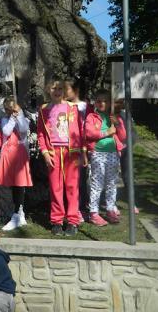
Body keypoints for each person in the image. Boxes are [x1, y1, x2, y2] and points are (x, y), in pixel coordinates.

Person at [37, 80, 84, 236]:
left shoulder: (72, 108)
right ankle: (57, 221)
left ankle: (72, 221)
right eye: (53, 87)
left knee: (72, 187)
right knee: (55, 188)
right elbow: (41, 134)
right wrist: (44, 153)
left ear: (65, 90)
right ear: (48, 89)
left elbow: (81, 131)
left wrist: (83, 152)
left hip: (71, 153)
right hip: (53, 152)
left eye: (60, 88)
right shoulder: (44, 110)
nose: (57, 90)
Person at [84, 90, 126, 226]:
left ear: (109, 103)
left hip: (113, 154)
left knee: (112, 183)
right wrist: (107, 132)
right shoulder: (91, 116)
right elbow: (89, 133)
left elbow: (123, 136)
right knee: (97, 184)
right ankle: (94, 213)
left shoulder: (114, 117)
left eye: (105, 101)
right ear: (95, 102)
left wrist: (118, 124)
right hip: (98, 153)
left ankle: (110, 209)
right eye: (99, 101)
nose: (102, 103)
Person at [0, 97, 32, 231]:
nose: (9, 111)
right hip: (8, 154)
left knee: (20, 183)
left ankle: (19, 212)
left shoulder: (24, 119)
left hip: (20, 153)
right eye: (6, 109)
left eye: (11, 109)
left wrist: (20, 116)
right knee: (12, 183)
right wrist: (12, 119)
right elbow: (6, 131)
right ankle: (17, 212)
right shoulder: (5, 120)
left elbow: (23, 130)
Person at [65, 80, 92, 223]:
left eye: (67, 89)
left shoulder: (86, 107)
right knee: (69, 180)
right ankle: (70, 208)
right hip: (65, 149)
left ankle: (81, 207)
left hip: (81, 147)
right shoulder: (62, 107)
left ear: (75, 90)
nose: (63, 91)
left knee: (80, 179)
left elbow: (88, 128)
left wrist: (85, 150)